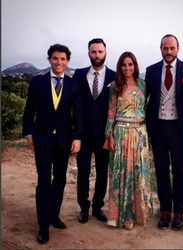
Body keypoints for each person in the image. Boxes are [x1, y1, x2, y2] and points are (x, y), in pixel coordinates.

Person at [22, 44, 82, 244]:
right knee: (44, 181)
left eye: (63, 59)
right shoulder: (37, 82)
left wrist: (77, 137)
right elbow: (29, 110)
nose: (59, 62)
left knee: (60, 180)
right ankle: (43, 225)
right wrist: (28, 133)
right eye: (55, 58)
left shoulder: (73, 85)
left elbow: (77, 114)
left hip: (64, 140)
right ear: (49, 60)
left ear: (67, 62)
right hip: (42, 139)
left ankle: (54, 215)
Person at [145, 34, 183, 230]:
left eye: (172, 48)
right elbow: (143, 98)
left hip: (178, 128)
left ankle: (179, 213)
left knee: (180, 171)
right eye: (165, 48)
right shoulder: (151, 71)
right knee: (162, 171)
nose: (168, 51)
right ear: (160, 49)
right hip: (158, 128)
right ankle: (165, 212)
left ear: (178, 49)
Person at [103, 51, 152, 230]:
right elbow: (110, 113)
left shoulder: (142, 84)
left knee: (137, 176)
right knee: (121, 174)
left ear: (135, 65)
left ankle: (134, 215)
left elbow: (145, 108)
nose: (127, 68)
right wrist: (110, 135)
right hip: (121, 133)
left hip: (140, 134)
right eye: (124, 65)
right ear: (120, 67)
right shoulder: (115, 86)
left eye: (130, 64)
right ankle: (120, 216)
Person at [73, 38, 115, 224]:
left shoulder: (115, 76)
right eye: (93, 52)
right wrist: (75, 134)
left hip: (104, 134)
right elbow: (73, 105)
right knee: (82, 171)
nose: (97, 55)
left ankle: (98, 207)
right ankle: (83, 207)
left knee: (102, 171)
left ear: (105, 53)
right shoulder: (79, 75)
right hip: (83, 134)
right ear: (88, 53)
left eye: (100, 52)